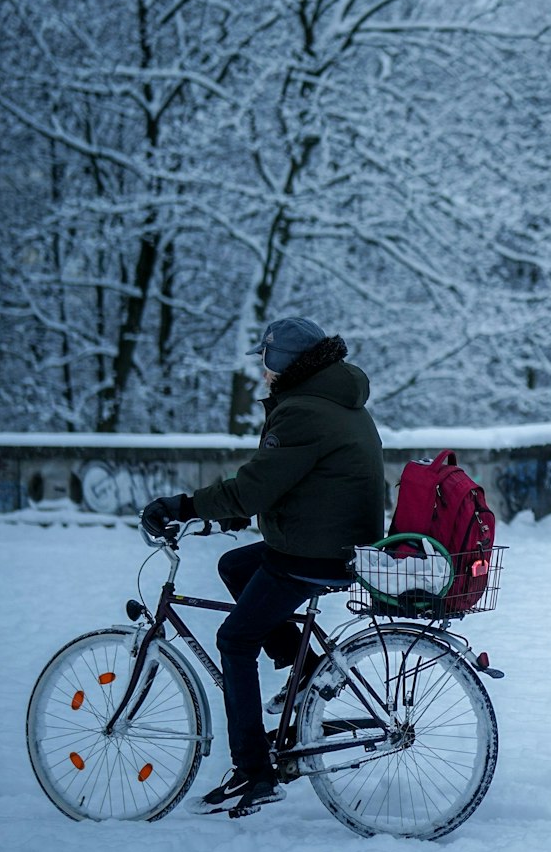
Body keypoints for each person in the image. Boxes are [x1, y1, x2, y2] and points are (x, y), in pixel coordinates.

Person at [141, 316, 387, 818]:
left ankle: (254, 771)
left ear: (282, 363)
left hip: (311, 551)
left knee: (234, 640)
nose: (262, 371)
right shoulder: (337, 399)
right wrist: (229, 514)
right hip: (334, 541)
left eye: (266, 360)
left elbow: (256, 485)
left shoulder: (302, 411)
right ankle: (310, 666)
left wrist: (185, 506)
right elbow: (289, 479)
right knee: (236, 565)